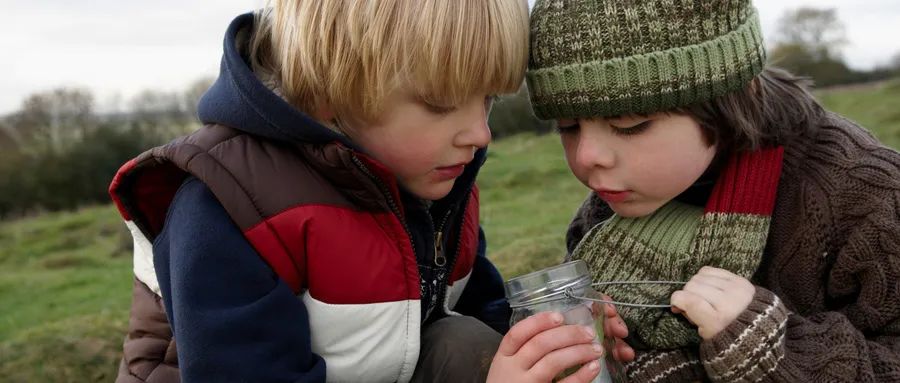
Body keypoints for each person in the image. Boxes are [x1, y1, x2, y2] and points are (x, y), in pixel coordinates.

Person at [110, 1, 627, 382]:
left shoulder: (432, 181)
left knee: (465, 341)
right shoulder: (229, 205)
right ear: (333, 93)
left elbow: (479, 311)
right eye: (441, 103)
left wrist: (554, 335)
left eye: (487, 99)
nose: (480, 133)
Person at [525, 0, 900, 381]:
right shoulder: (601, 220)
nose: (587, 156)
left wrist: (771, 350)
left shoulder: (864, 199)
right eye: (568, 127)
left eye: (629, 124)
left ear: (729, 98)